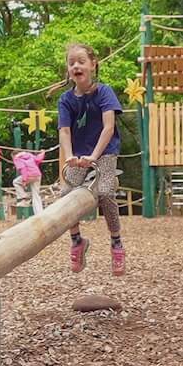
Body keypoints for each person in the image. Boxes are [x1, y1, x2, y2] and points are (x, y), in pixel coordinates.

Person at [56, 42, 125, 275]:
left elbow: (108, 127)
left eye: (81, 61)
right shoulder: (66, 99)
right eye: (71, 62)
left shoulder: (104, 92)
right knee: (65, 194)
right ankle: (77, 241)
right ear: (68, 69)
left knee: (105, 192)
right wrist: (70, 157)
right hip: (79, 155)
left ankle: (116, 243)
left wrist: (94, 157)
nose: (76, 65)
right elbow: (64, 131)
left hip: (104, 152)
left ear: (93, 65)